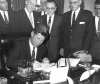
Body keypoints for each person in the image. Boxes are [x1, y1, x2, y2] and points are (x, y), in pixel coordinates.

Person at [89, 0, 100, 64]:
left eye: (99, 8)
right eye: (95, 8)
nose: (97, 11)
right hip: (92, 54)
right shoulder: (90, 20)